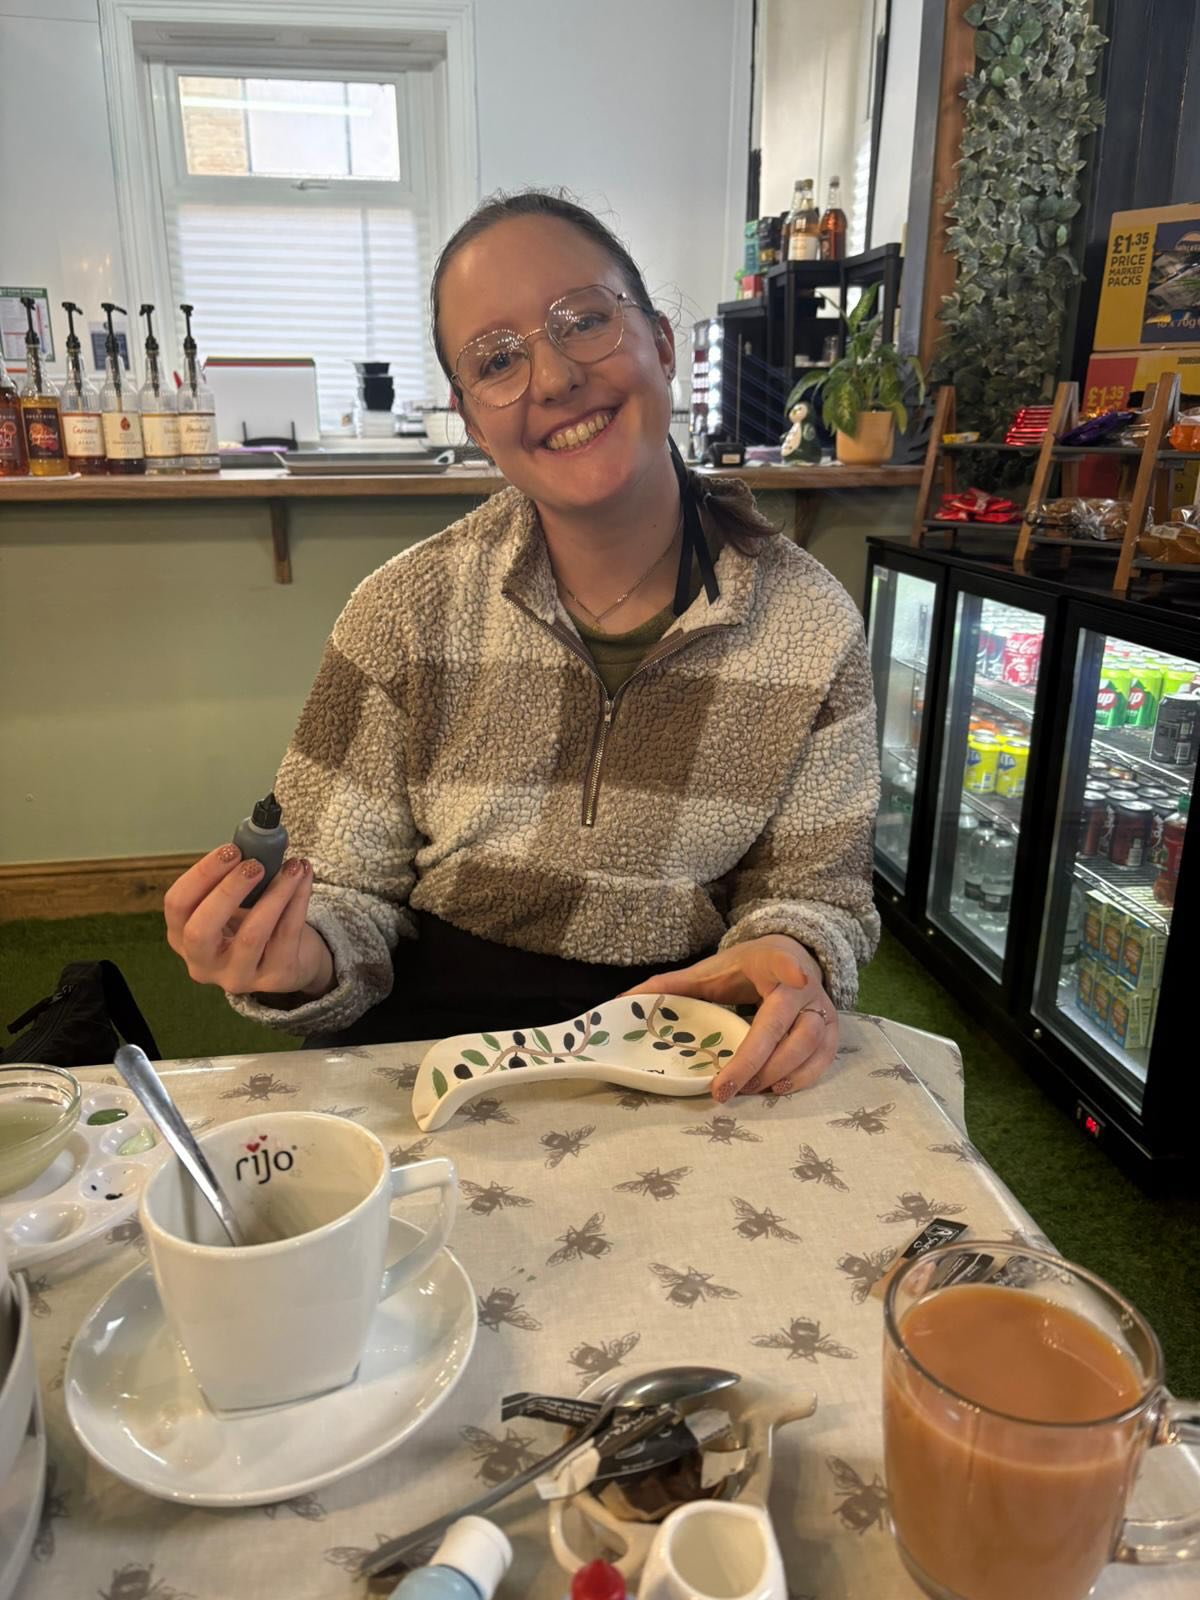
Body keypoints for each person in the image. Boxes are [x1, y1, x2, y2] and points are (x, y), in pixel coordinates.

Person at [163, 190, 880, 1100]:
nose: (551, 380)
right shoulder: (403, 611)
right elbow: (340, 887)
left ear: (664, 343)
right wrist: (296, 953)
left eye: (583, 320)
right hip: (437, 1036)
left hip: (685, 1047)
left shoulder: (809, 622)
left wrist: (794, 949)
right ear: (471, 420)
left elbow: (821, 891)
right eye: (497, 360)